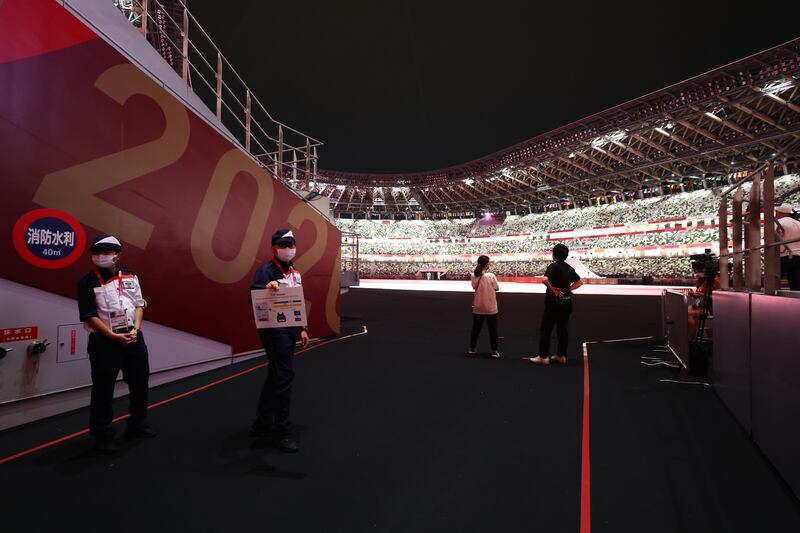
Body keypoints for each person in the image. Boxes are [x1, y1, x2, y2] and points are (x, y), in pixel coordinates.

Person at [77, 234, 155, 452]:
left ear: (117, 255)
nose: (100, 257)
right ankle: (103, 435)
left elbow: (139, 304)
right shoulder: (87, 281)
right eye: (96, 253)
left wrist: (135, 330)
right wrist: (112, 336)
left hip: (133, 339)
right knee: (103, 389)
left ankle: (137, 425)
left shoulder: (130, 276)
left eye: (106, 253)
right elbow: (88, 315)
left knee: (140, 384)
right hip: (104, 342)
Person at [249, 229, 309, 453]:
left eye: (290, 244)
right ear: (274, 247)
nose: (288, 249)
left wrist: (302, 328)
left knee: (276, 375)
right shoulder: (266, 270)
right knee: (284, 376)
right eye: (283, 245)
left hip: (291, 329)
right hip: (274, 332)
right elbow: (251, 297)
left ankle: (262, 422)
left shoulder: (294, 272)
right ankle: (282, 430)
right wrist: (267, 288)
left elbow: (298, 301)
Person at [529, 243, 583, 365]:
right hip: (567, 303)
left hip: (554, 303)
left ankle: (543, 357)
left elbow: (544, 279)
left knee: (546, 329)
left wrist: (553, 289)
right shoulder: (569, 268)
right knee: (562, 329)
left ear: (554, 255)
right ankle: (561, 356)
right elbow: (580, 282)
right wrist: (569, 289)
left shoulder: (553, 266)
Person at [468, 255, 500, 358]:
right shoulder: (491, 276)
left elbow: (473, 287)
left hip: (478, 306)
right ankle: (494, 351)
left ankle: (472, 349)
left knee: (476, 329)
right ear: (486, 265)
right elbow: (497, 288)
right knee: (492, 330)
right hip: (491, 307)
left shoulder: (474, 275)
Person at [775, 203, 800, 290]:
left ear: (779, 212)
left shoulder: (779, 222)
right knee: (796, 283)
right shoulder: (798, 223)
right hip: (798, 255)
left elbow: (772, 237)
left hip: (783, 255)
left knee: (774, 282)